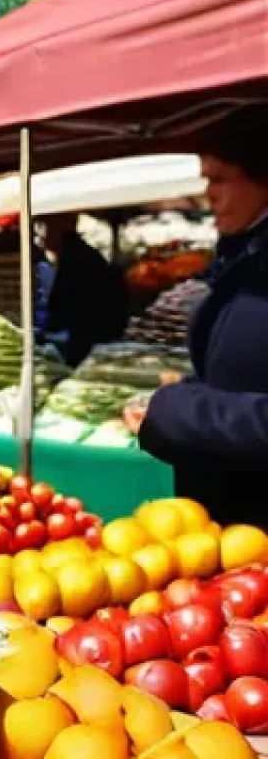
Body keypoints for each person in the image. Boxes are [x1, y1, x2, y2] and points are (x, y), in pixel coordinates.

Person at [134, 104, 268, 528]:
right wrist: (189, 393)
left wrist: (181, 410)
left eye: (221, 179)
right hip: (232, 520)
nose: (208, 194)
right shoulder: (244, 256)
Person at [43, 212, 129, 366]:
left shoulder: (75, 258)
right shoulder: (79, 253)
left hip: (90, 337)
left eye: (47, 227)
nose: (44, 236)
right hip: (94, 334)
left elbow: (59, 307)